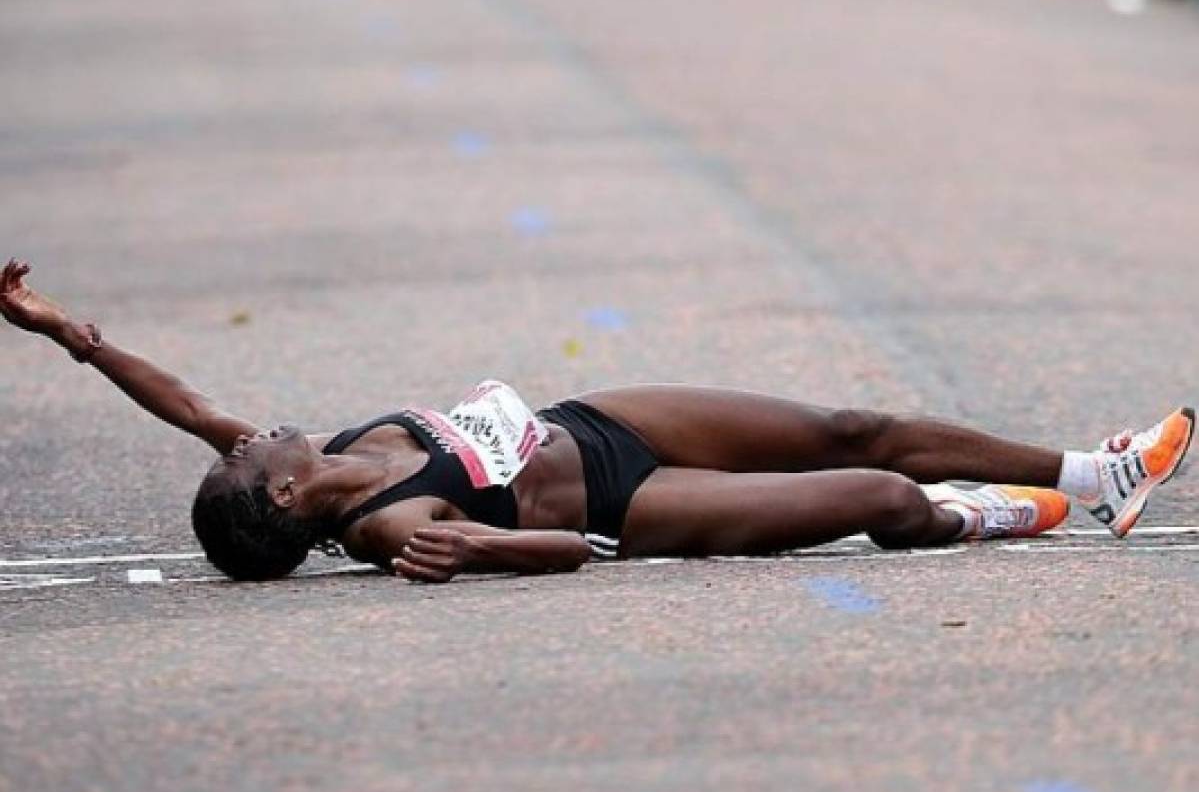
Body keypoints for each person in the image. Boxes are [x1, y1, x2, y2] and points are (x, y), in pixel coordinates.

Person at [2, 258, 1193, 584]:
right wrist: (482, 546)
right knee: (884, 503)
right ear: (275, 497)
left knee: (851, 421)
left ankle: (1098, 474)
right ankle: (984, 516)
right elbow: (566, 550)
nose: (251, 431)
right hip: (632, 505)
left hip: (599, 419)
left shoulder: (284, 455)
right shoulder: (376, 524)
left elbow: (179, 401)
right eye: (252, 453)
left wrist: (62, 331)